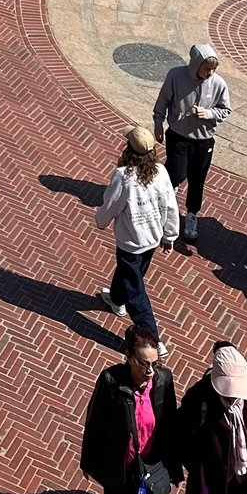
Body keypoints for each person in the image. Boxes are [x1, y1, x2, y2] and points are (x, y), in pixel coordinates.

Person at [80, 325, 181, 494]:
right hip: (119, 466)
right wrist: (89, 462)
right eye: (144, 364)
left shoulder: (164, 381)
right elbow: (95, 422)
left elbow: (170, 425)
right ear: (129, 357)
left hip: (146, 468)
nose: (151, 371)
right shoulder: (111, 381)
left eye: (155, 363)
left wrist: (174, 468)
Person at [95, 126, 179, 353]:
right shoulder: (161, 171)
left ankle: (153, 338)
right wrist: (170, 234)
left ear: (128, 150)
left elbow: (111, 204)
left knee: (135, 289)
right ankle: (115, 299)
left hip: (130, 241)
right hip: (152, 238)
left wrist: (100, 221)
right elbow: (170, 205)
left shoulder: (123, 176)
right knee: (131, 274)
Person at [153, 43, 231, 247]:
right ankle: (166, 211)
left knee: (198, 180)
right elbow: (163, 100)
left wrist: (210, 114)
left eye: (213, 69)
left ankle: (191, 216)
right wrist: (158, 123)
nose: (210, 73)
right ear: (196, 65)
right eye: (206, 69)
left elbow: (225, 109)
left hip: (204, 140)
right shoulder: (175, 76)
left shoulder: (219, 84)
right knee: (175, 175)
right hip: (178, 136)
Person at [178, 344, 247, 494]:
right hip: (209, 484)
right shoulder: (198, 398)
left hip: (244, 483)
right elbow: (182, 438)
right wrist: (200, 468)